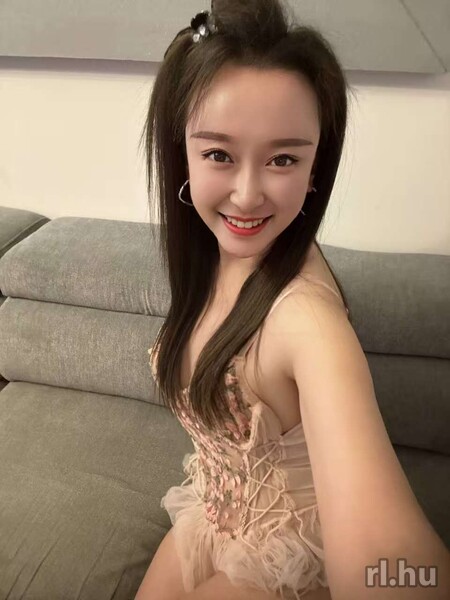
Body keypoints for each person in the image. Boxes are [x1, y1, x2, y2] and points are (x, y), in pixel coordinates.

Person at [135, 1, 450, 599]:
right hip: (211, 516)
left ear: (314, 170)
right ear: (182, 153)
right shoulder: (218, 255)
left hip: (282, 561)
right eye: (219, 154)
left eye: (283, 159)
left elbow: (387, 560)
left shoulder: (307, 321)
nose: (247, 195)